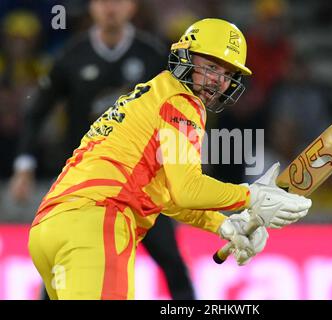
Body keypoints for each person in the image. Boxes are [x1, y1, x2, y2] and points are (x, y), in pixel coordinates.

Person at [27, 17, 312, 300]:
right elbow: (188, 189)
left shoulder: (155, 94)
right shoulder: (182, 102)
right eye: (211, 67)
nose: (218, 81)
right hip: (97, 223)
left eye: (227, 74)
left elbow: (165, 195)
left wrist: (222, 224)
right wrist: (252, 196)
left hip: (49, 227)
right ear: (185, 57)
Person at [9, 0, 194, 299]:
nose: (111, 8)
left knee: (173, 264)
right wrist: (24, 166)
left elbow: (181, 112)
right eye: (103, 1)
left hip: (142, 186)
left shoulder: (154, 56)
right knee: (61, 268)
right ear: (92, 7)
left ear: (132, 7)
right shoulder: (72, 56)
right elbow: (37, 110)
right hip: (86, 188)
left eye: (118, 1)